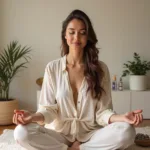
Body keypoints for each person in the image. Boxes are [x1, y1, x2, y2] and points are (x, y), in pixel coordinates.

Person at [13, 9, 143, 150]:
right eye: (72, 32)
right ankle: (68, 148)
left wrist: (123, 117)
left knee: (127, 131)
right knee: (21, 132)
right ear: (65, 35)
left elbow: (103, 113)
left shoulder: (100, 69)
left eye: (82, 32)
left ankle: (82, 148)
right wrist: (31, 117)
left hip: (91, 134)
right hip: (59, 134)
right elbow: (48, 110)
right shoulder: (52, 68)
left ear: (88, 37)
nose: (76, 37)